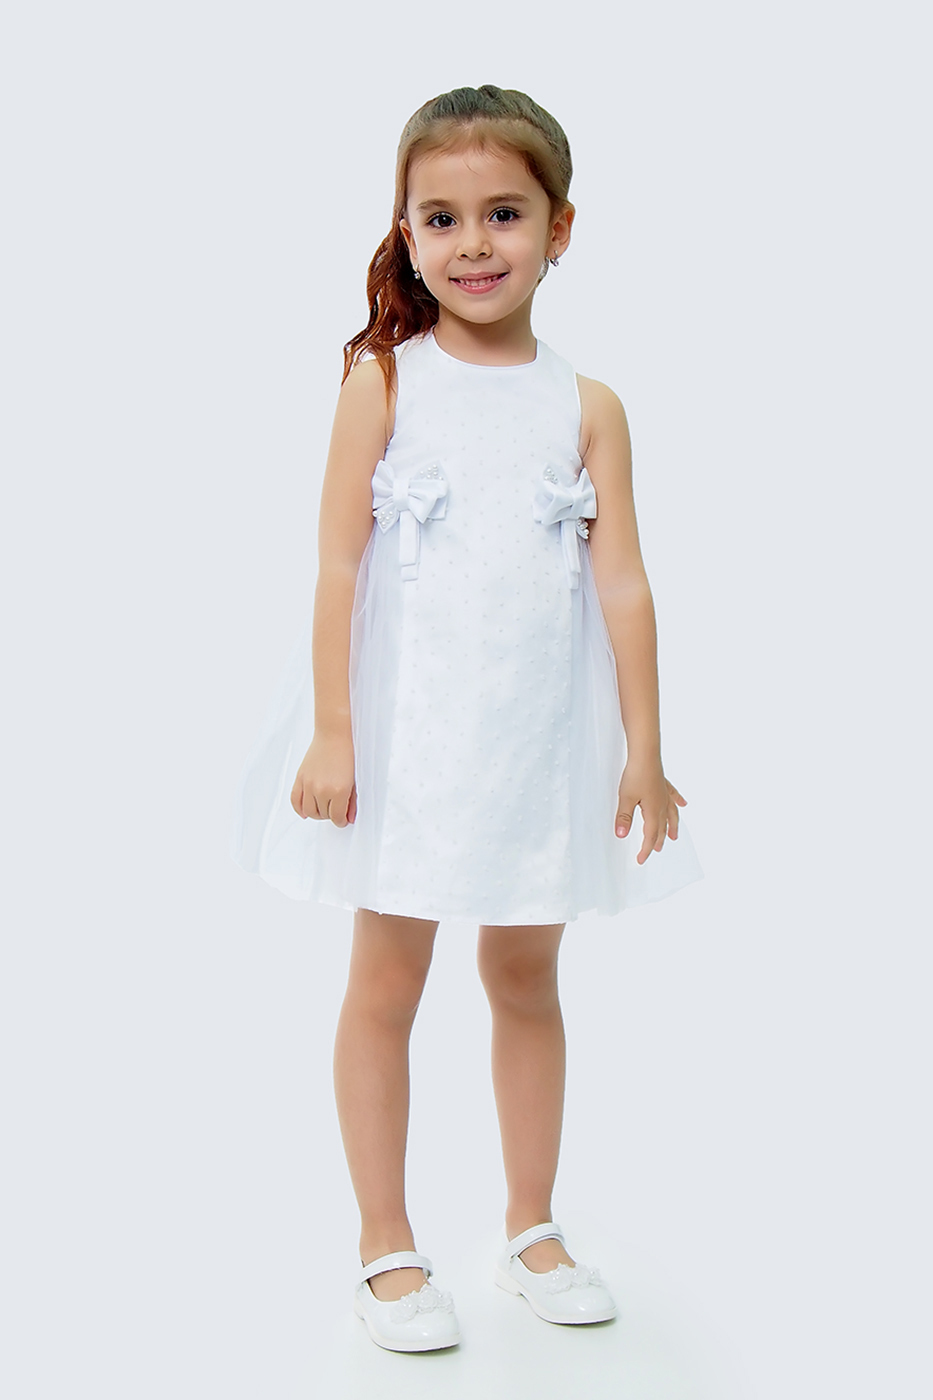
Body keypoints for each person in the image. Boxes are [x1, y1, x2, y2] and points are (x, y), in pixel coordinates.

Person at [231, 83, 703, 1353]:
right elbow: (336, 565)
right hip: (407, 743)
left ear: (561, 228)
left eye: (505, 212)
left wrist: (645, 749)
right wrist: (334, 731)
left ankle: (531, 1225)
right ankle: (385, 1240)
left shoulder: (588, 404)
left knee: (525, 975)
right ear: (407, 229)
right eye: (441, 218)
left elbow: (625, 583)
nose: (474, 243)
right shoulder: (384, 382)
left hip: (532, 745)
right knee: (387, 981)